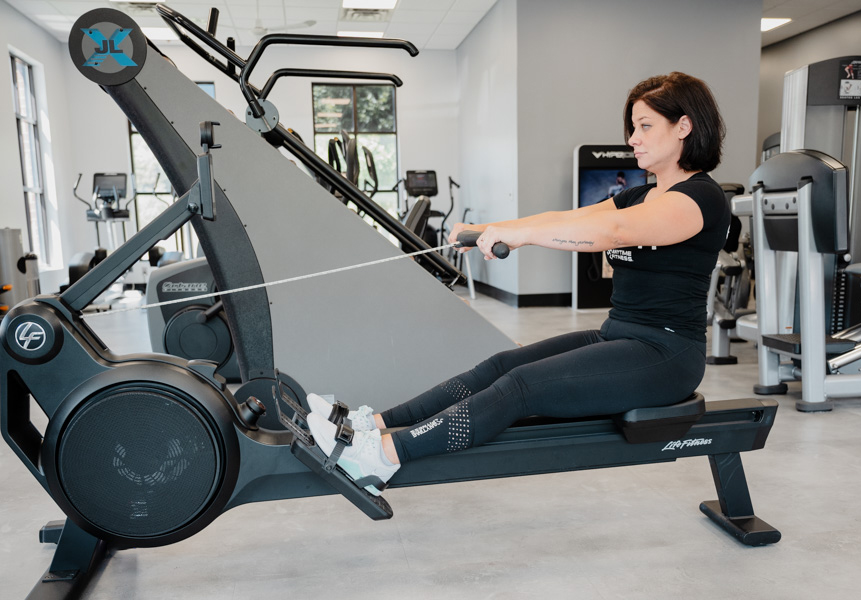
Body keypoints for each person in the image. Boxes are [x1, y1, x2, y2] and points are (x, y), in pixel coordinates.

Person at [306, 71, 730, 496]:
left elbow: (615, 231)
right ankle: (369, 424)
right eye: (633, 128)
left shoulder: (701, 199)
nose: (633, 138)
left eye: (645, 126)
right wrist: (488, 227)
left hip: (667, 355)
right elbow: (563, 219)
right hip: (618, 334)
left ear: (684, 126)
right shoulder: (639, 195)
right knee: (498, 367)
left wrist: (521, 237)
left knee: (521, 388)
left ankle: (380, 457)